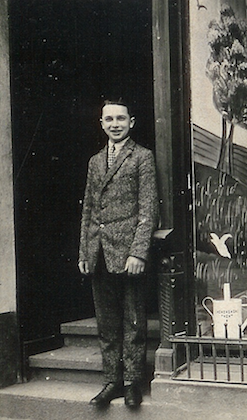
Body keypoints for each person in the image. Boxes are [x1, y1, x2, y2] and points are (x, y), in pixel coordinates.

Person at [78, 99, 158, 409]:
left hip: (128, 257)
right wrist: (85, 251)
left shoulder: (142, 158)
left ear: (132, 122)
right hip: (99, 253)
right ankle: (111, 381)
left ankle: (132, 383)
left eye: (121, 119)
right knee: (107, 324)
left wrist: (138, 252)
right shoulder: (95, 161)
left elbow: (148, 209)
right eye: (109, 119)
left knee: (134, 323)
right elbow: (88, 209)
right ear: (101, 124)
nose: (115, 124)